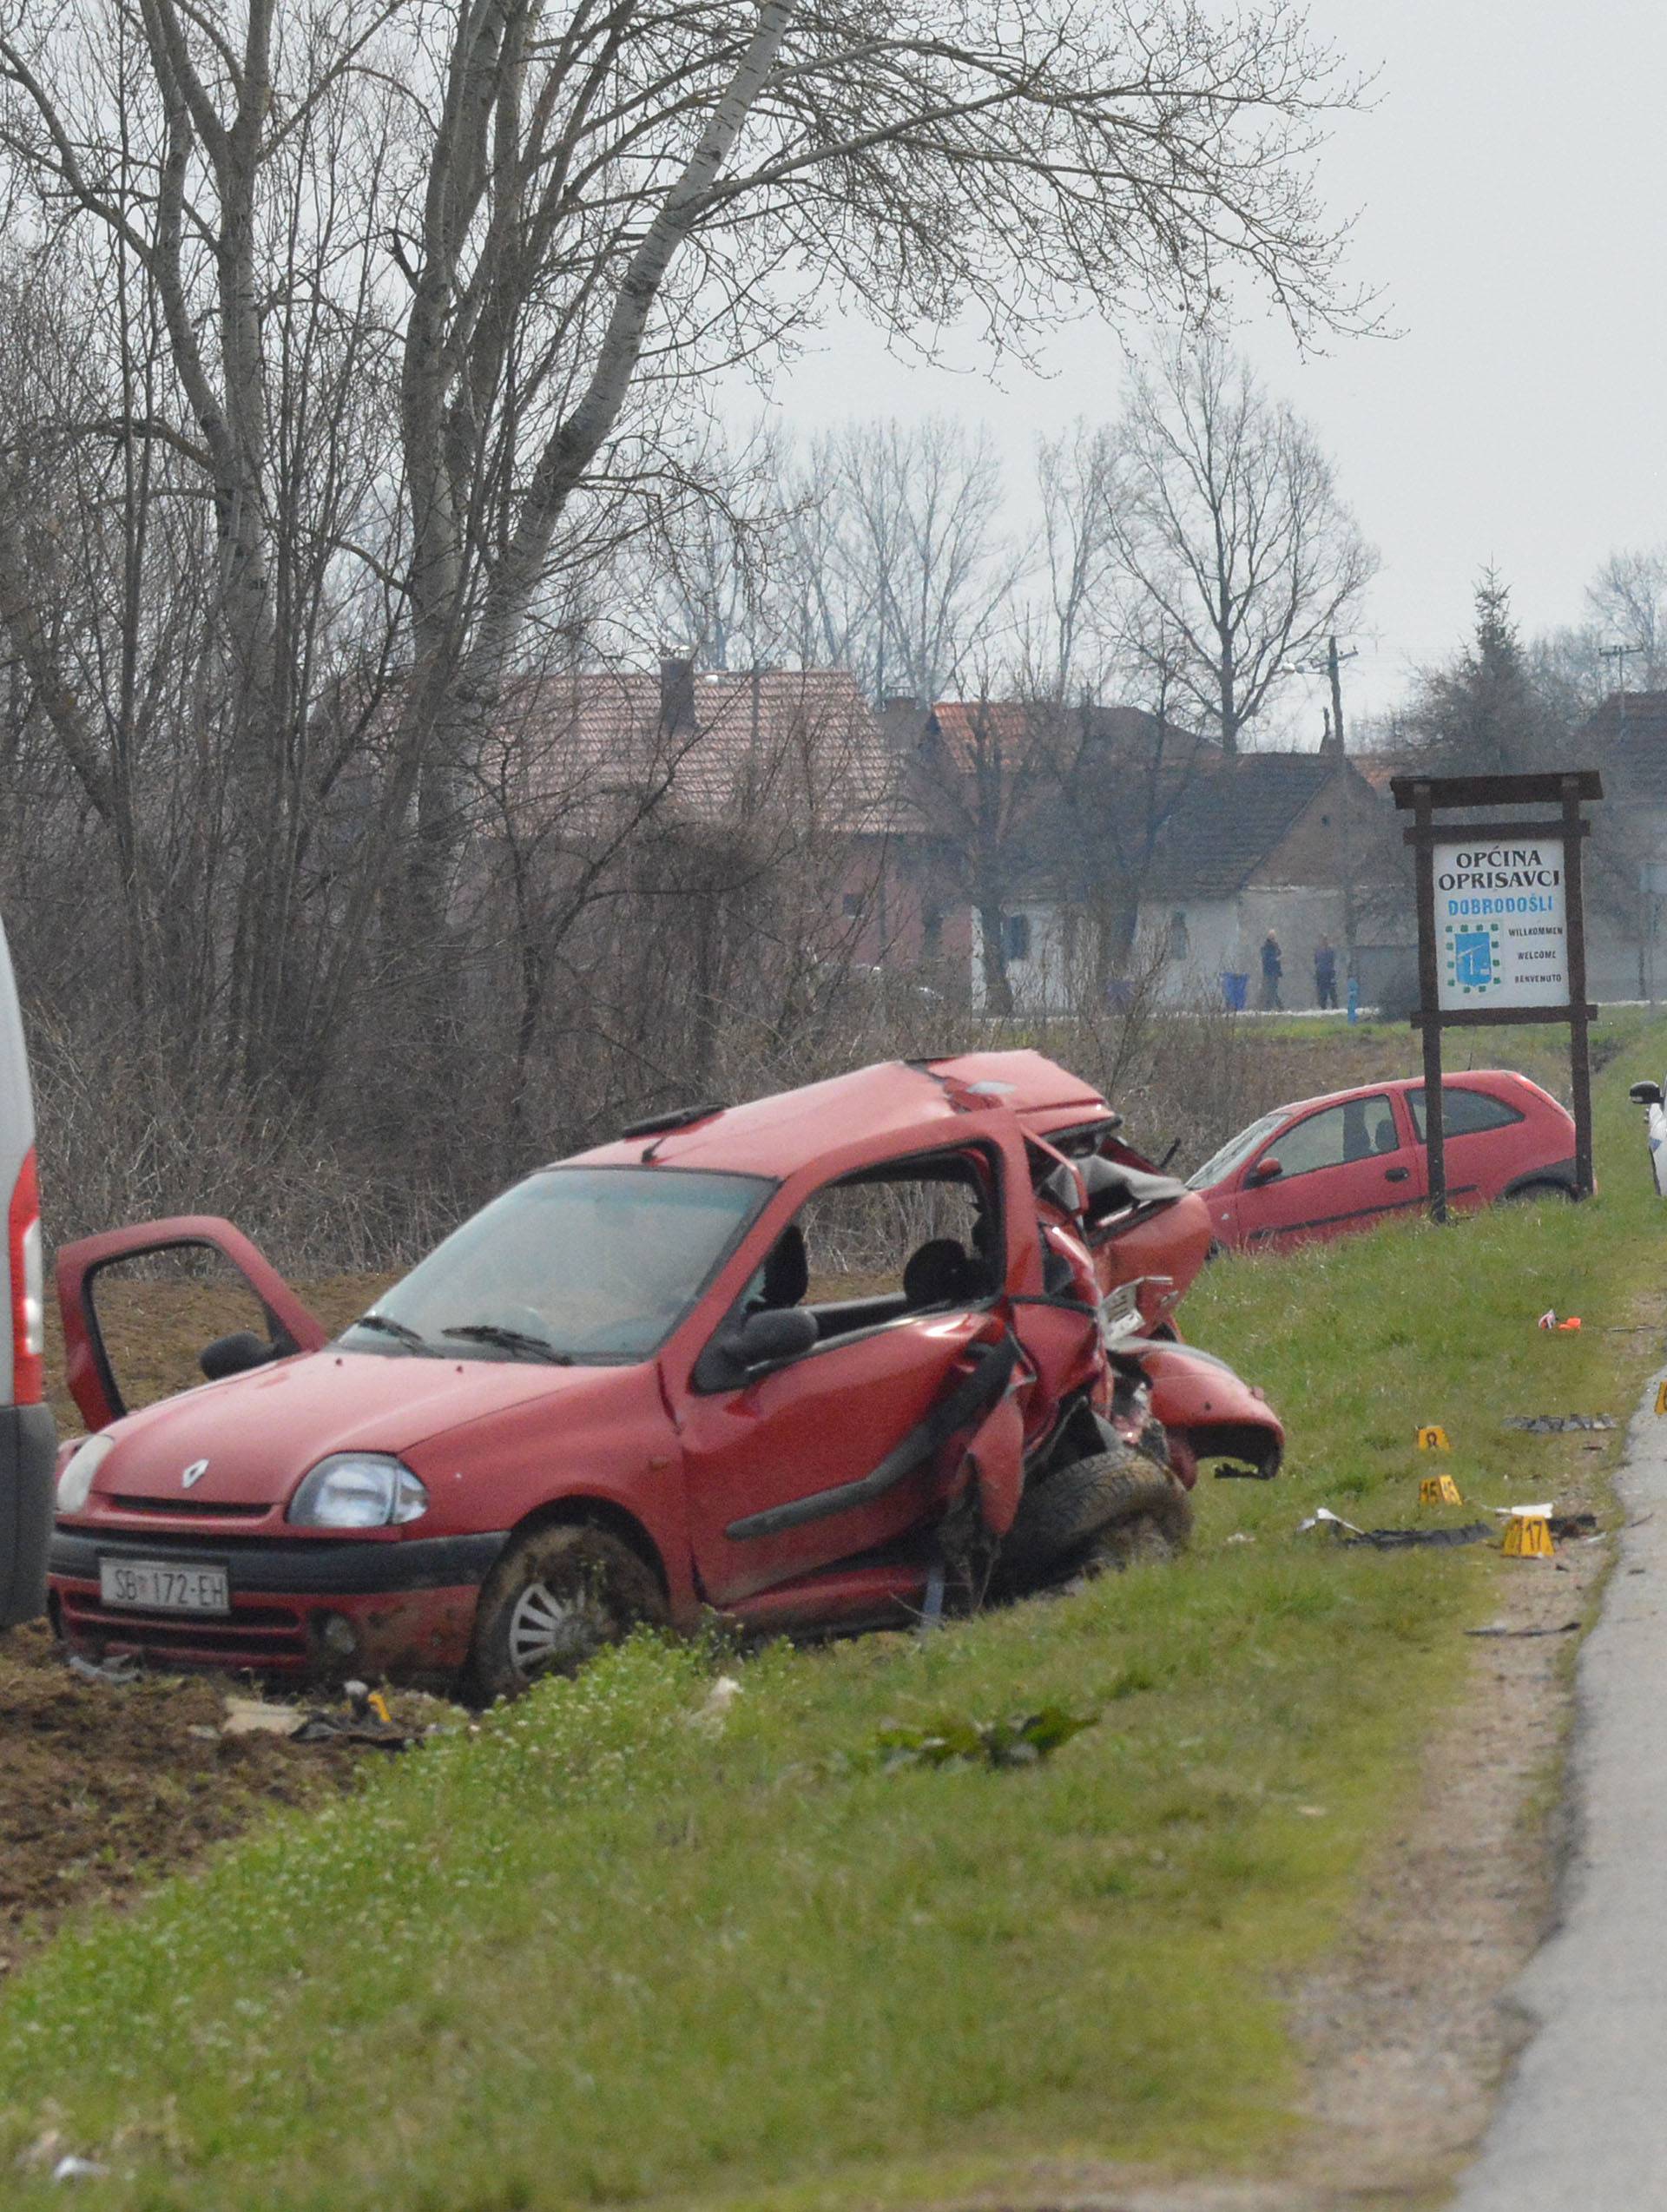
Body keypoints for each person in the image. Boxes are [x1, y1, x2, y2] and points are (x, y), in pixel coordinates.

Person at [1259, 930, 1283, 1011]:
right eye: (1272, 937)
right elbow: (1266, 959)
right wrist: (1275, 959)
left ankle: (1271, 1006)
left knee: (1273, 989)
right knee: (1271, 990)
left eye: (1274, 937)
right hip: (1269, 971)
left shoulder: (1276, 946)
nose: (1273, 938)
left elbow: (1279, 954)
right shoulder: (1266, 947)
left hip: (1275, 972)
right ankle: (1275, 1006)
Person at [1314, 936, 1338, 1010]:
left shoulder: (1323, 951)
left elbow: (1316, 961)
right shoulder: (1321, 951)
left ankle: (1333, 1006)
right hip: (1322, 973)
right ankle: (1324, 1006)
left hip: (1327, 973)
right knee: (1324, 991)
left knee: (1330, 991)